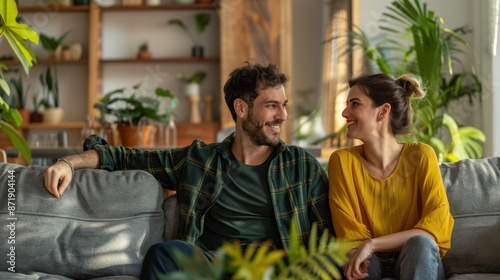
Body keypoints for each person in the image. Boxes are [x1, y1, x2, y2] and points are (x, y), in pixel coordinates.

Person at [44, 61, 333, 279]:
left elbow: (329, 236)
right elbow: (122, 157)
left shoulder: (300, 165)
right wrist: (69, 162)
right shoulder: (199, 159)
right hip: (210, 267)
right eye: (272, 106)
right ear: (241, 109)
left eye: (283, 106)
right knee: (164, 254)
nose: (282, 115)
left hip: (274, 270)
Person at [328, 73, 454, 280]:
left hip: (416, 259)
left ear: (383, 111)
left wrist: (373, 243)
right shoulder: (342, 162)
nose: (344, 112)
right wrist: (364, 249)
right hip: (368, 261)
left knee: (420, 244)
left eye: (355, 104)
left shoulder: (422, 156)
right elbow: (349, 235)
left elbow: (434, 230)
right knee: (358, 257)